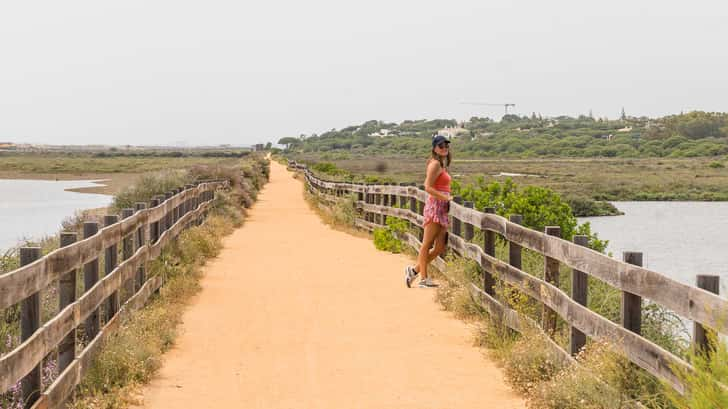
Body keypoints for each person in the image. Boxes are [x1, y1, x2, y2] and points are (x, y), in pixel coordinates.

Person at [405, 134, 452, 288]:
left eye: (446, 146)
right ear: (434, 148)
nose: (444, 148)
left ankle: (414, 271)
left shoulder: (441, 164)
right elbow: (428, 187)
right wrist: (445, 198)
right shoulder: (435, 165)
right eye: (441, 146)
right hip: (436, 206)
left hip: (442, 208)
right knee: (426, 244)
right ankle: (423, 279)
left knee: (439, 247)